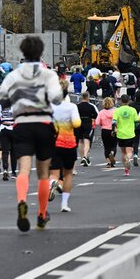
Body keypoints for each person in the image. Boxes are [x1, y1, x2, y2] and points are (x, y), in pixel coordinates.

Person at [0, 36, 63, 232]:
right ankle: (42, 213)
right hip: (43, 123)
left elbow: (2, 98)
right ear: (40, 53)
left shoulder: (14, 75)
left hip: (22, 125)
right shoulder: (48, 74)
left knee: (23, 168)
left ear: (23, 53)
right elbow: (56, 99)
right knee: (43, 173)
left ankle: (22, 201)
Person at [48, 80, 80, 212]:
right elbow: (77, 123)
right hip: (69, 143)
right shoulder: (71, 107)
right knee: (68, 174)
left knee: (54, 173)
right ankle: (64, 204)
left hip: (53, 143)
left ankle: (53, 182)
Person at [113, 94, 139, 176]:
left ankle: (126, 170)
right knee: (130, 151)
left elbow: (114, 122)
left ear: (121, 101)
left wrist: (115, 128)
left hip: (120, 133)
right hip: (130, 133)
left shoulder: (117, 110)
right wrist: (134, 127)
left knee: (123, 152)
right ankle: (128, 159)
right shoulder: (133, 110)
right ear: (129, 101)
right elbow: (137, 122)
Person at [76, 91, 98, 166]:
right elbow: (95, 116)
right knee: (87, 141)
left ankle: (82, 157)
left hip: (79, 124)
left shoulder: (77, 106)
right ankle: (85, 156)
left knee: (80, 141)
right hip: (87, 124)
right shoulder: (91, 106)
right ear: (88, 97)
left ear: (82, 97)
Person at [95, 98, 117, 167]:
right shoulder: (115, 111)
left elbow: (97, 122)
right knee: (114, 145)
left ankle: (108, 162)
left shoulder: (101, 112)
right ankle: (112, 153)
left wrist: (102, 123)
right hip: (113, 130)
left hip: (104, 130)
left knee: (106, 146)